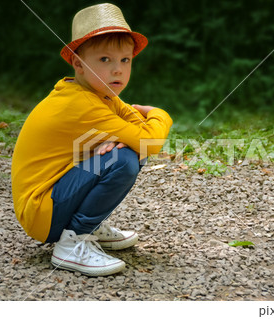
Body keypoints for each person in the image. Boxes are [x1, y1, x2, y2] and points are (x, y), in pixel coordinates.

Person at [11, 3, 173, 276]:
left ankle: (89, 223)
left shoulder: (101, 96)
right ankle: (73, 241)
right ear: (78, 63)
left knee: (127, 150)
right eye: (105, 60)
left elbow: (139, 128)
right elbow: (151, 142)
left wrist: (136, 133)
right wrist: (161, 114)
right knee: (124, 159)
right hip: (41, 210)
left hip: (51, 201)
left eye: (125, 60)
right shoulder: (83, 103)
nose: (118, 70)